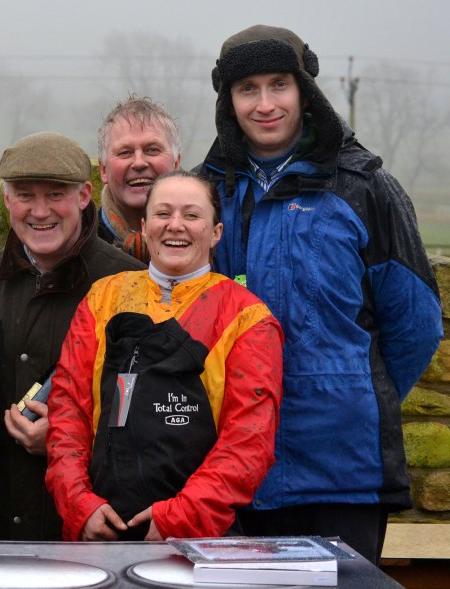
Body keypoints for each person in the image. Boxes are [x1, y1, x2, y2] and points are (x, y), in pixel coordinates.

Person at [197, 25, 443, 563]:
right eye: (247, 89)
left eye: (279, 85)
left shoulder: (364, 186)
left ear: (305, 90)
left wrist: (353, 390)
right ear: (227, 100)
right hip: (231, 470)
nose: (265, 104)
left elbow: (417, 323)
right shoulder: (205, 194)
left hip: (343, 472)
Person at [45, 171, 284, 542]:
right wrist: (78, 503)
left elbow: (249, 441)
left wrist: (182, 517)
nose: (176, 226)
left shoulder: (247, 316)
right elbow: (68, 410)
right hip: (99, 530)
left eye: (191, 215)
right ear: (144, 226)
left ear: (216, 232)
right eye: (162, 214)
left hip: (198, 538)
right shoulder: (102, 297)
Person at [0, 131, 144, 540]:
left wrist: (72, 439)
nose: (39, 211)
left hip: (88, 526)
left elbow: (143, 406)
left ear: (85, 195)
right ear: (6, 200)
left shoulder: (128, 285)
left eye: (55, 194)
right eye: (25, 195)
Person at [96, 95, 180, 263]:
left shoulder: (207, 241)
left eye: (152, 150)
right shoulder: (79, 246)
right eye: (125, 152)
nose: (139, 162)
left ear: (176, 163)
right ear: (103, 170)